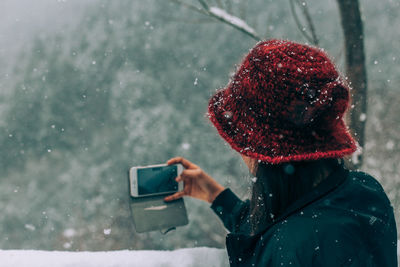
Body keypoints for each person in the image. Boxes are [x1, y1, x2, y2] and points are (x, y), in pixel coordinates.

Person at [164, 40, 397, 266]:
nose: (242, 153)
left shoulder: (289, 251)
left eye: (244, 143)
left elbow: (281, 238)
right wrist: (218, 197)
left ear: (266, 153)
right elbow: (285, 224)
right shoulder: (365, 193)